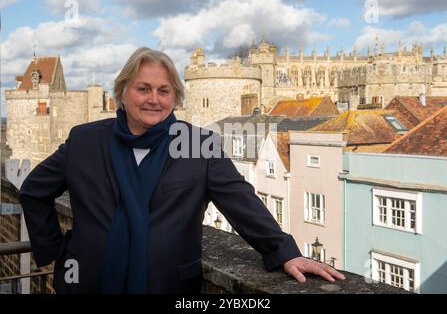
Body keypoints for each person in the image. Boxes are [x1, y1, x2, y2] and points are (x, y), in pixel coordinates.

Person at [19, 47, 345, 294]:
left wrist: (283, 251)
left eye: (164, 91)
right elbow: (34, 191)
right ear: (122, 93)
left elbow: (240, 201)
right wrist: (56, 250)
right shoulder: (86, 141)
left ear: (176, 96)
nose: (154, 99)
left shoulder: (198, 144)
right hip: (85, 283)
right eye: (143, 88)